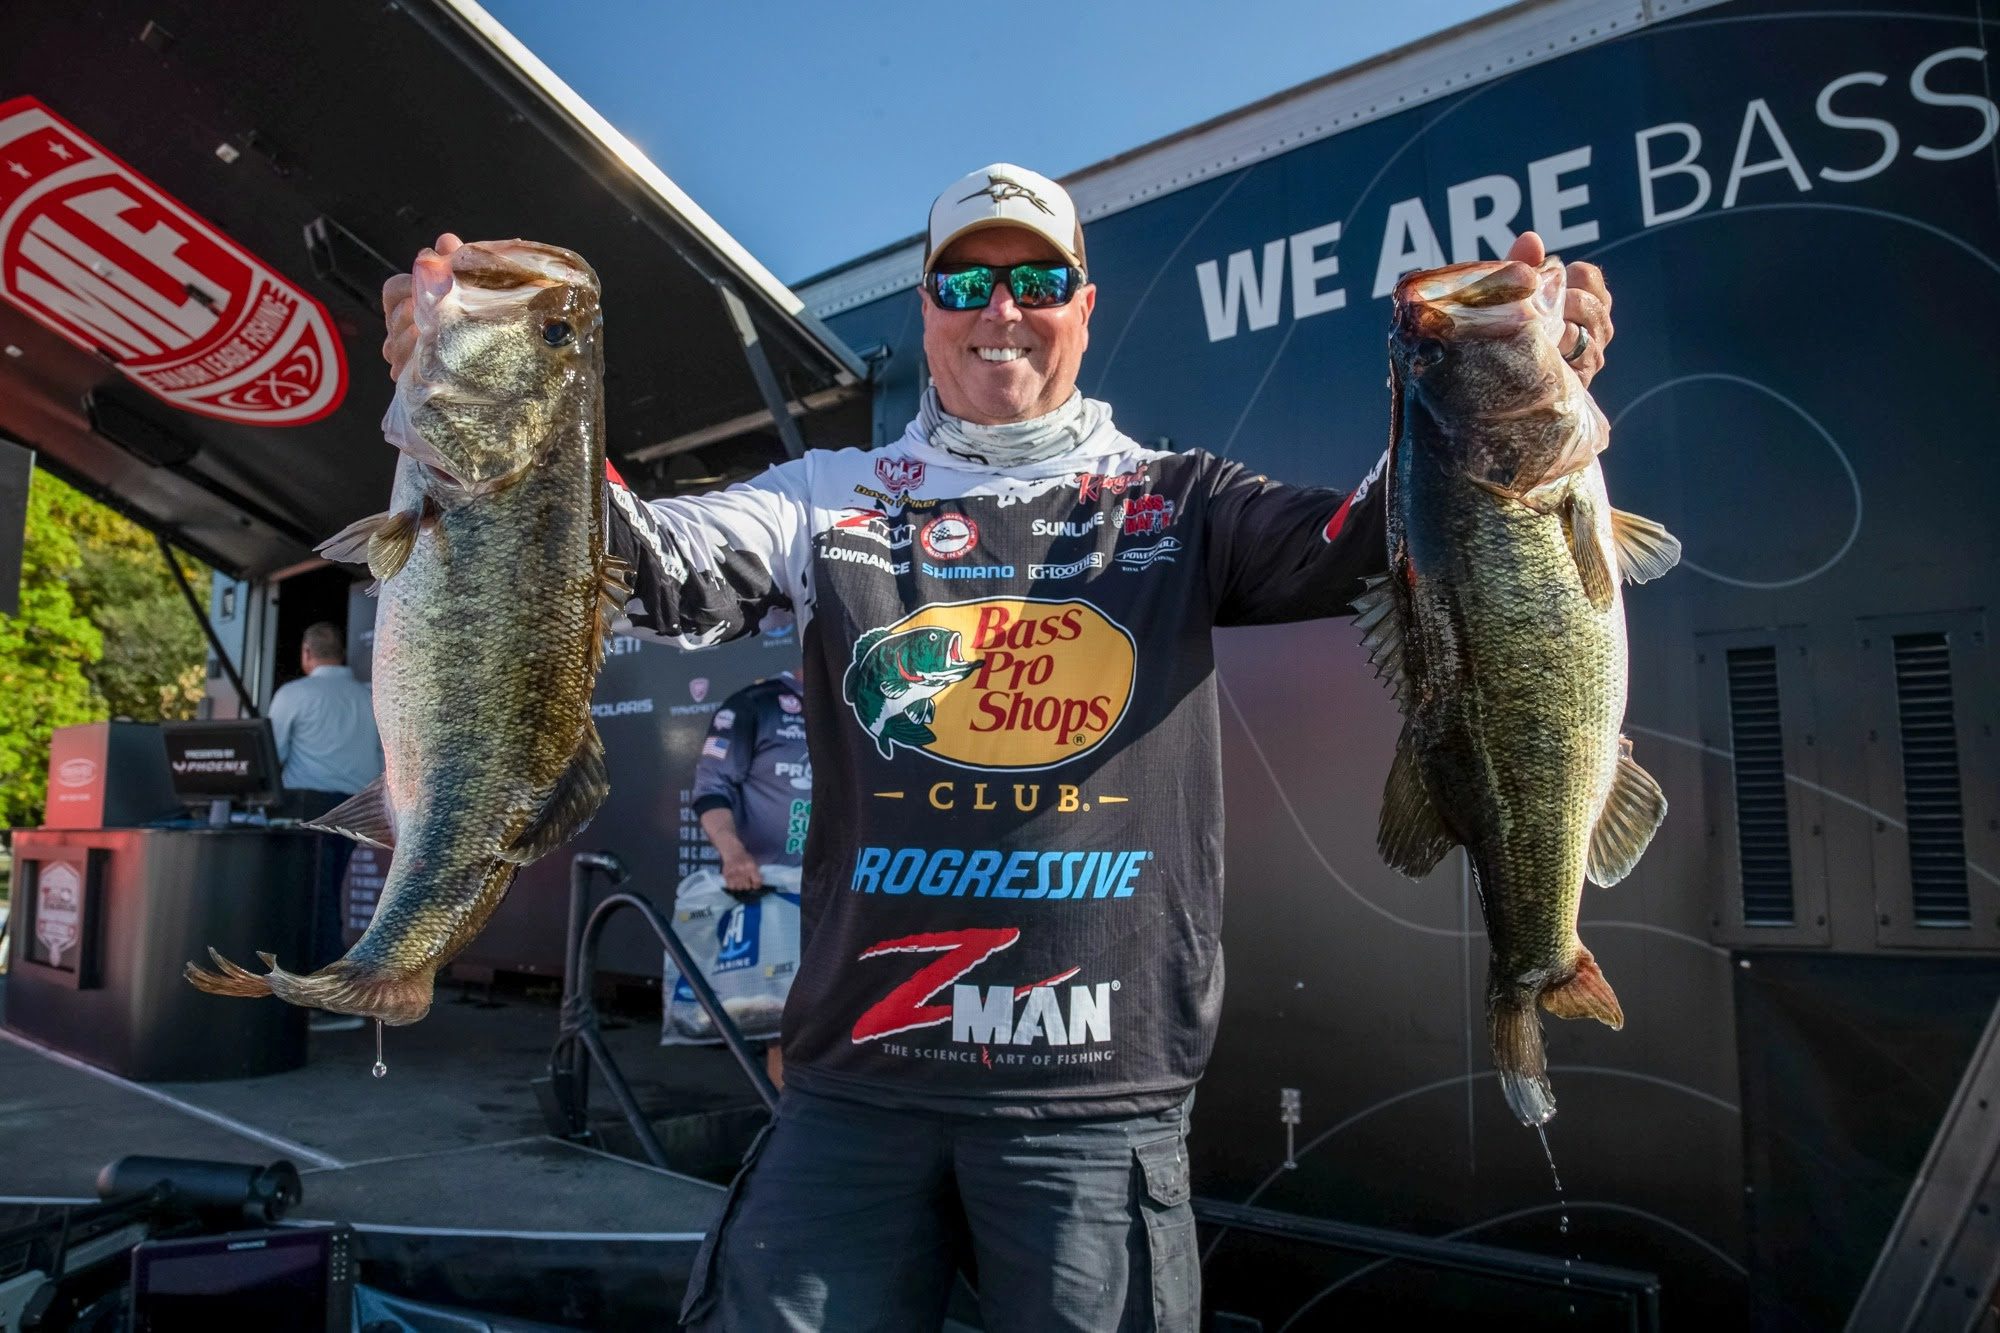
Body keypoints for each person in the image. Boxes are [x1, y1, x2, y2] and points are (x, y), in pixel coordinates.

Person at [381, 162, 1613, 1332]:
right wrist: (485, 394)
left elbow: (1382, 537)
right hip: (856, 1088)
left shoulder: (1177, 497)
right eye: (965, 282)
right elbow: (647, 565)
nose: (1000, 310)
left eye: (1034, 280)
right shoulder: (825, 497)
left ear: (1083, 303)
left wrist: (1505, 380)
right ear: (925, 310)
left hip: (1095, 1099)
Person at [692, 670, 811, 1088]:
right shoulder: (756, 704)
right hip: (776, 898)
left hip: (847, 894)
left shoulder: (862, 706)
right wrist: (733, 852)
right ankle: (785, 1119)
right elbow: (711, 788)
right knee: (787, 1029)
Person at [268, 621, 383, 1032]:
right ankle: (325, 995)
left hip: (307, 807)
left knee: (312, 901)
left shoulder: (294, 695)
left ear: (306, 653)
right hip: (356, 809)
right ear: (341, 653)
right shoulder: (368, 697)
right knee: (328, 894)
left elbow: (271, 755)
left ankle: (333, 1002)